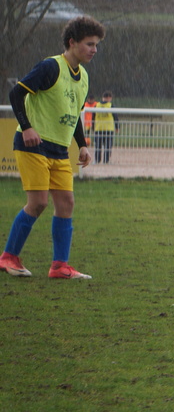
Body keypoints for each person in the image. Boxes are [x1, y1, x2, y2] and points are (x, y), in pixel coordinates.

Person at [1, 16, 106, 280]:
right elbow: (16, 94)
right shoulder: (51, 67)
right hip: (33, 145)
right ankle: (8, 257)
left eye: (96, 45)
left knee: (66, 203)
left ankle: (60, 266)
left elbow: (74, 113)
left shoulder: (83, 77)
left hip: (59, 149)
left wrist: (82, 145)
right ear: (72, 43)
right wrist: (27, 127)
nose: (94, 49)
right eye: (89, 44)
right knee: (38, 203)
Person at [92, 90, 118, 164]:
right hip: (108, 129)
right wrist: (117, 127)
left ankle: (97, 160)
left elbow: (93, 117)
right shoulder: (111, 105)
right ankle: (106, 160)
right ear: (109, 97)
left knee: (98, 145)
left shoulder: (96, 105)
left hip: (98, 128)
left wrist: (93, 127)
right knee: (108, 146)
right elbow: (115, 117)